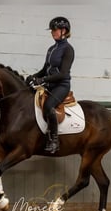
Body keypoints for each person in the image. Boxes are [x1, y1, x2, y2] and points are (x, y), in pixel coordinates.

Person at [26, 16, 75, 154]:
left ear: (64, 30)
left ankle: (54, 140)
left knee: (48, 106)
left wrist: (43, 80)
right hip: (49, 85)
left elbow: (63, 73)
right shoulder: (51, 49)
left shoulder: (68, 49)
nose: (52, 32)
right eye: (52, 30)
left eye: (55, 30)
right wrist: (34, 76)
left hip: (61, 86)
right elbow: (44, 69)